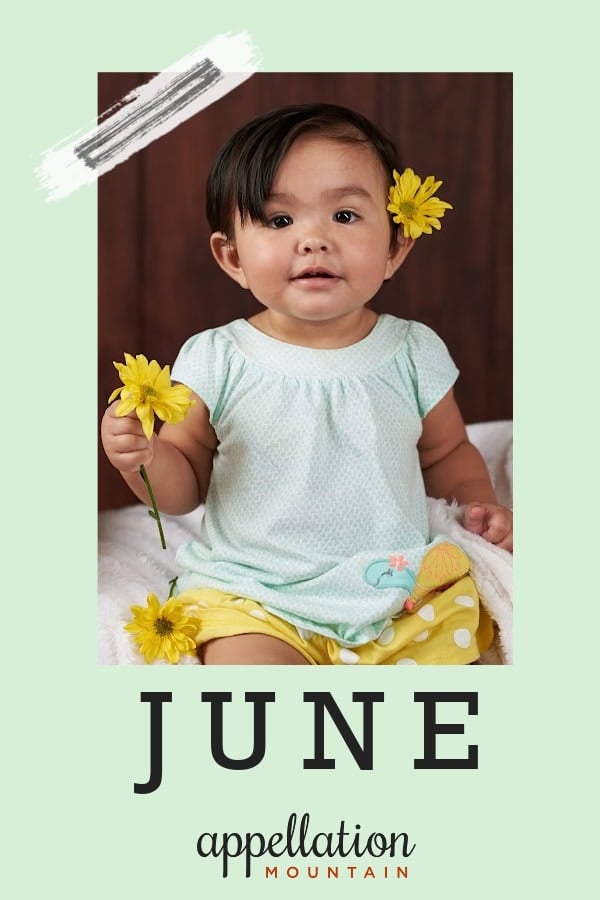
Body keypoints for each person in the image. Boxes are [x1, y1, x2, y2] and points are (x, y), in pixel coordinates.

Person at [101, 103, 513, 666]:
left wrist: (480, 506)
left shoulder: (413, 351)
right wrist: (142, 459)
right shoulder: (217, 358)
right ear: (232, 256)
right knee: (255, 676)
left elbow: (446, 451)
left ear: (396, 245)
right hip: (258, 595)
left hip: (397, 587)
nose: (314, 239)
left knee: (460, 645)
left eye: (344, 216)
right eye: (279, 220)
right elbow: (183, 489)